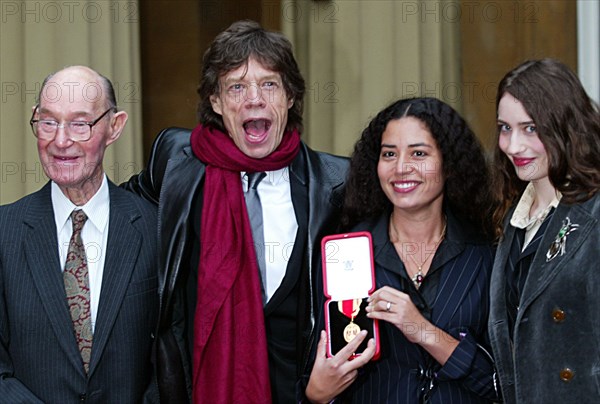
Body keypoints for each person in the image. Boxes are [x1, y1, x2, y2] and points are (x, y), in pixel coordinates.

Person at [123, 20, 349, 403]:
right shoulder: (178, 164)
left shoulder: (337, 184)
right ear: (216, 101)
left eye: (269, 84)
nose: (254, 99)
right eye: (237, 86)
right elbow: (117, 215)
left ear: (291, 96)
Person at [304, 97, 500, 403]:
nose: (401, 168)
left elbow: (502, 384)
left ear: (449, 164)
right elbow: (312, 371)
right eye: (389, 154)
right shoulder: (344, 252)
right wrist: (317, 393)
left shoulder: (486, 254)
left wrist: (422, 330)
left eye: (419, 153)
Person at [0, 66, 159, 403]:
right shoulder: (5, 232)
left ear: (114, 127)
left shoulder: (154, 230)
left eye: (79, 124)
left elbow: (175, 358)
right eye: (49, 122)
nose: (61, 140)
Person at [488, 59, 600, 403]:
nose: (513, 146)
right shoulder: (513, 217)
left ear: (565, 126)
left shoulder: (594, 213)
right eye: (505, 128)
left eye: (531, 128)